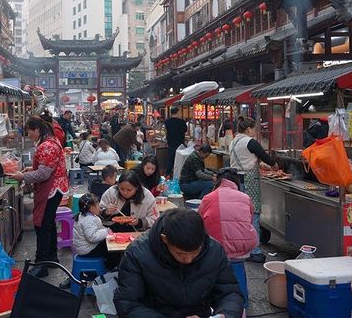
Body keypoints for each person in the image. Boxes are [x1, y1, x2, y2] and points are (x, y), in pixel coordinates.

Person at [114, 208, 244, 318]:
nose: (188, 260)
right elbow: (127, 303)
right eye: (181, 254)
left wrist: (224, 314)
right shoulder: (138, 253)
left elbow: (230, 293)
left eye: (195, 252)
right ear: (165, 239)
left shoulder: (214, 250)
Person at [6, 116, 69, 277]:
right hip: (55, 188)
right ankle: (51, 257)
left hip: (51, 189)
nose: (29, 136)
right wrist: (29, 171)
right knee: (48, 224)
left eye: (29, 132)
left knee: (41, 225)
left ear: (37, 129)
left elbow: (43, 173)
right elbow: (43, 168)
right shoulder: (51, 141)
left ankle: (41, 265)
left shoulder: (47, 145)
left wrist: (23, 176)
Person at [229, 117, 278, 263]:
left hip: (236, 180)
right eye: (254, 129)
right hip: (250, 181)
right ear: (249, 129)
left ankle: (242, 246)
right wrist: (274, 165)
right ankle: (254, 251)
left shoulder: (234, 141)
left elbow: (245, 158)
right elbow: (266, 157)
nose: (255, 132)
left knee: (242, 216)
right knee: (253, 215)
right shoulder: (250, 142)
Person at [199, 169, 257, 262]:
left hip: (217, 248)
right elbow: (250, 221)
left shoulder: (208, 198)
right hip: (245, 246)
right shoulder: (245, 197)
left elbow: (200, 223)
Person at [164, 106, 187, 179]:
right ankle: (179, 177)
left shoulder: (167, 121)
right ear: (177, 112)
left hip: (171, 144)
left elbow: (166, 131)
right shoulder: (182, 122)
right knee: (180, 162)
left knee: (170, 161)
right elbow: (185, 130)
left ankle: (167, 176)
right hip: (180, 145)